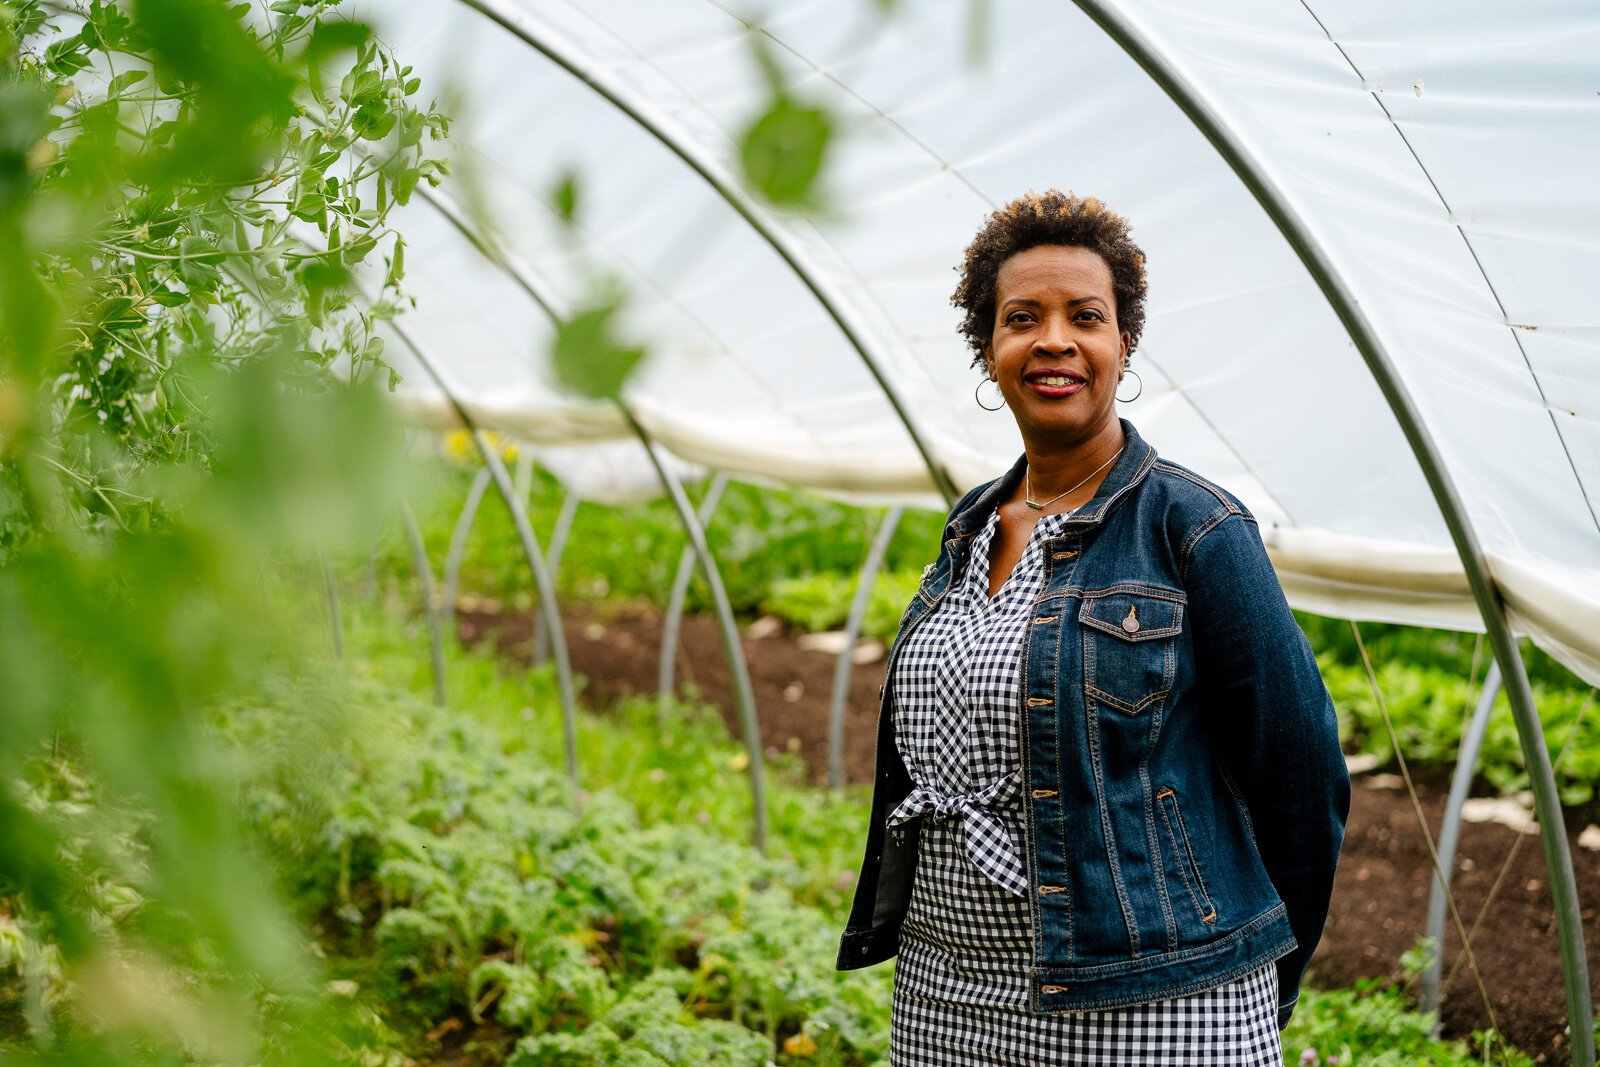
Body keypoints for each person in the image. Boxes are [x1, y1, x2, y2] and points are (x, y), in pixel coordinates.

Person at [836, 190, 1350, 1066]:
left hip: (1149, 996)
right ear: (989, 349)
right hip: (947, 989)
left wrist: (1265, 971)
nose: (1054, 341)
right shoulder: (972, 523)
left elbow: (1301, 774)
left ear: (1123, 344)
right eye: (1021, 318)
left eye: (1086, 316)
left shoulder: (1193, 528)